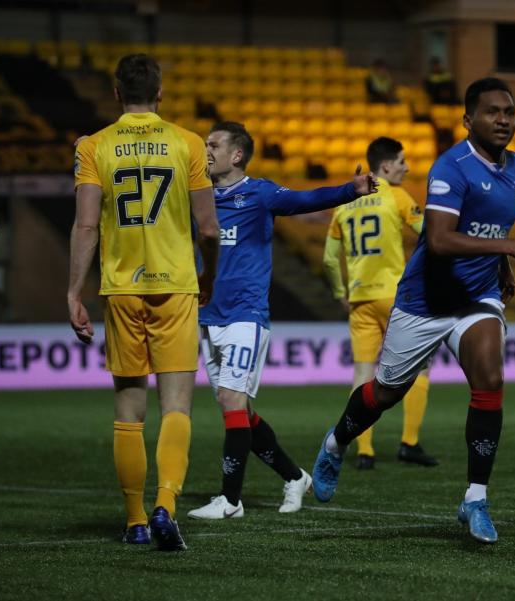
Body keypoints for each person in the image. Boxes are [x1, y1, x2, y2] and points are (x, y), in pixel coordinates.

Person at [311, 77, 515, 544]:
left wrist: (501, 262)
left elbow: (489, 222)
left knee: (490, 379)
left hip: (476, 297)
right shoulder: (452, 166)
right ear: (468, 120)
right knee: (384, 394)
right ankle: (335, 442)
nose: (503, 119)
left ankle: (475, 498)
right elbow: (441, 240)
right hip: (424, 302)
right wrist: (512, 246)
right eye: (492, 112)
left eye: (509, 111)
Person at [187, 121, 378, 520]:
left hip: (246, 313)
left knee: (231, 400)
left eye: (213, 144)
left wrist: (350, 189)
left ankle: (230, 501)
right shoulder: (199, 197)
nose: (205, 150)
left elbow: (306, 199)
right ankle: (294, 477)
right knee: (239, 408)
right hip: (208, 314)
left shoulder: (260, 193)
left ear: (236, 155)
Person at [69, 54, 220, 551]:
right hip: (175, 284)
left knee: (128, 409)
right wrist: (208, 273)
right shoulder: (188, 143)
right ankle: (166, 505)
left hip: (121, 287)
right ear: (160, 94)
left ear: (116, 94)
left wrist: (74, 291)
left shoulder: (93, 146)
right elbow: (208, 228)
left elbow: (87, 224)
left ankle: (134, 519)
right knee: (176, 406)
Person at [322, 136, 437, 471]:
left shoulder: (344, 204)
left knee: (362, 372)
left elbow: (330, 260)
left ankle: (364, 449)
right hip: (395, 296)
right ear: (386, 166)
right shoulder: (397, 196)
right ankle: (409, 443)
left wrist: (339, 293)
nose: (407, 167)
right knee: (421, 366)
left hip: (359, 298)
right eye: (402, 161)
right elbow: (431, 235)